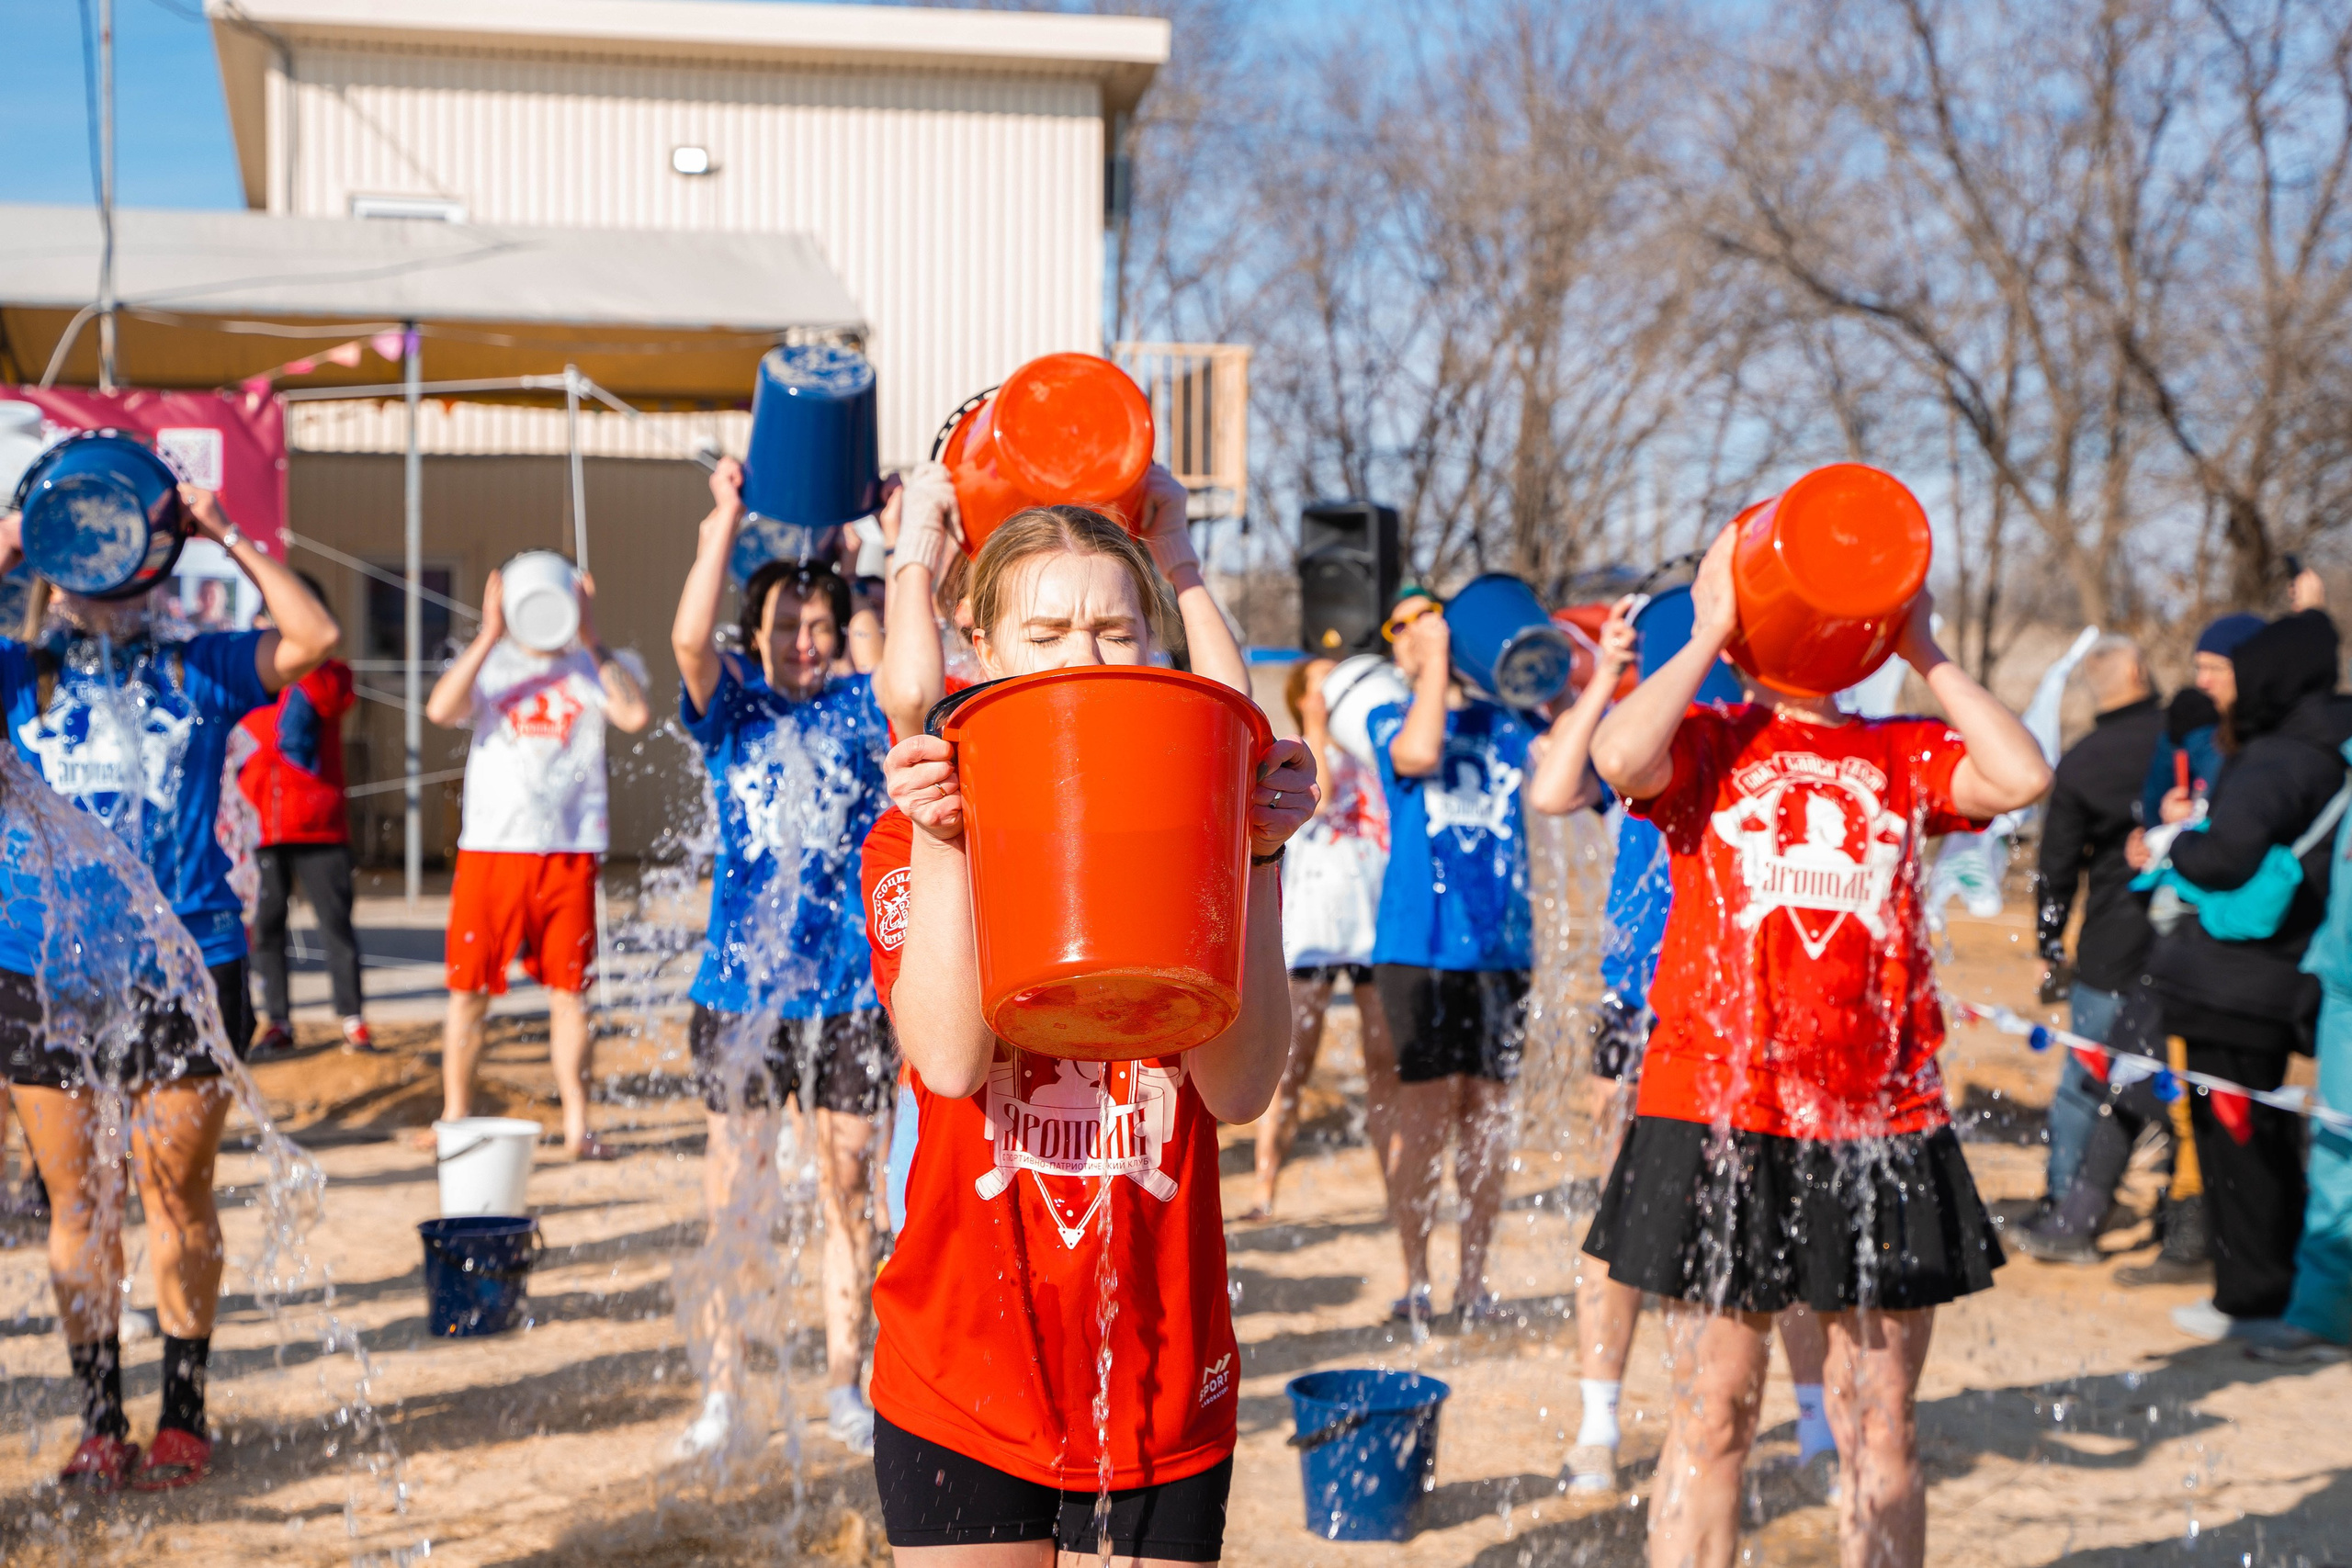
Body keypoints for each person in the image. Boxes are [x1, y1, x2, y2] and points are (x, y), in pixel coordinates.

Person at [1586, 524, 2050, 1568]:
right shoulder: (1708, 738)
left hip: (1880, 1117)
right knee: (1713, 1413)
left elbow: (2020, 777)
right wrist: (1708, 626)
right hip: (1716, 1108)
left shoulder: (1899, 753)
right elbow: (1618, 756)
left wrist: (1923, 646)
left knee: (1880, 1420)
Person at [861, 502, 1311, 1565]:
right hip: (962, 1367)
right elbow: (951, 1059)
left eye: (1114, 631)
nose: (1085, 656)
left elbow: (1239, 1093)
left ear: (1154, 644)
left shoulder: (1199, 825)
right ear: (985, 650)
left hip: (1160, 1378)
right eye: (1047, 634)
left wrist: (1255, 858)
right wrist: (941, 841)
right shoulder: (908, 830)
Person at [0, 488, 340, 1490]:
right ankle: (101, 1419)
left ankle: (183, 1411)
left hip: (186, 965)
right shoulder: (22, 675)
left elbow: (312, 634)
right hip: (41, 967)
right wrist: (20, 535)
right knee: (81, 1203)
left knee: (176, 1194)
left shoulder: (201, 665)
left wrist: (221, 529)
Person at [1526, 595, 1839, 1499]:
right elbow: (1553, 790)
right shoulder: (1647, 749)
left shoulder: (1755, 749)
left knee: (1782, 1224)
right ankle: (1598, 1427)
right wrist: (1611, 670)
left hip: (1760, 1020)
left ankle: (1815, 1427)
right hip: (1639, 1014)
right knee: (1618, 1224)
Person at [669, 457, 896, 1459]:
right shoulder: (736, 712)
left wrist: (890, 543)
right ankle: (723, 1393)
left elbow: (905, 678)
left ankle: (846, 1382)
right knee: (739, 1191)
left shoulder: (859, 710)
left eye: (820, 627)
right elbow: (685, 636)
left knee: (852, 1184)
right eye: (784, 629)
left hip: (849, 991)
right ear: (756, 637)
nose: (803, 645)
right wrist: (724, 520)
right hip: (740, 989)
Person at [2141, 590, 2352, 1352]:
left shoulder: (2280, 755)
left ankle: (2253, 1291)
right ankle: (2274, 1284)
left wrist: (2177, 846)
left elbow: (2227, 854)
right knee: (2264, 1138)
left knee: (2241, 1140)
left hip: (2239, 979)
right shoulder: (2326, 744)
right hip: (2273, 971)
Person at [424, 559, 649, 1159]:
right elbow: (440, 710)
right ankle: (455, 1114)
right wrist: (490, 631)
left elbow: (635, 714)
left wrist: (591, 637)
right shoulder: (491, 664)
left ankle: (578, 1125)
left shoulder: (594, 666)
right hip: (492, 849)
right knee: (468, 989)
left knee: (569, 992)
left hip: (570, 853)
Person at [1365, 587, 1536, 1325]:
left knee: (1487, 1118)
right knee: (1425, 1118)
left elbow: (1577, 774)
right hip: (1419, 948)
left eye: (1430, 620)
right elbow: (1423, 751)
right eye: (1400, 626)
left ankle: (1473, 1280)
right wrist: (1436, 663)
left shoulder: (1510, 721)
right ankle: (1417, 1279)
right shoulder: (1387, 715)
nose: (1415, 633)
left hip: (1502, 951)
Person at [2018, 635, 2164, 1258]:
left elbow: (2055, 872)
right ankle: (2185, 1216)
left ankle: (2066, 1206)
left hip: (2108, 950)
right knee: (2187, 1085)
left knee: (2087, 1079)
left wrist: (2051, 945)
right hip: (2183, 947)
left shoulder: (2083, 761)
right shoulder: (2189, 741)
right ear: (2137, 670)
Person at [1249, 654, 1394, 1222]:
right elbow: (1323, 795)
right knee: (1290, 1067)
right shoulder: (1290, 759)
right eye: (1322, 686)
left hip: (1370, 928)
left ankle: (1390, 1192)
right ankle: (1265, 1189)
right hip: (1310, 929)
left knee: (1385, 1066)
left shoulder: (1370, 749)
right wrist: (1313, 722)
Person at [240, 571, 374, 1057]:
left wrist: (302, 645)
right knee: (266, 927)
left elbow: (329, 700)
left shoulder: (329, 673)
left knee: (335, 924)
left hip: (319, 824)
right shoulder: (248, 676)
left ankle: (353, 1018)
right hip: (260, 824)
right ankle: (277, 1020)